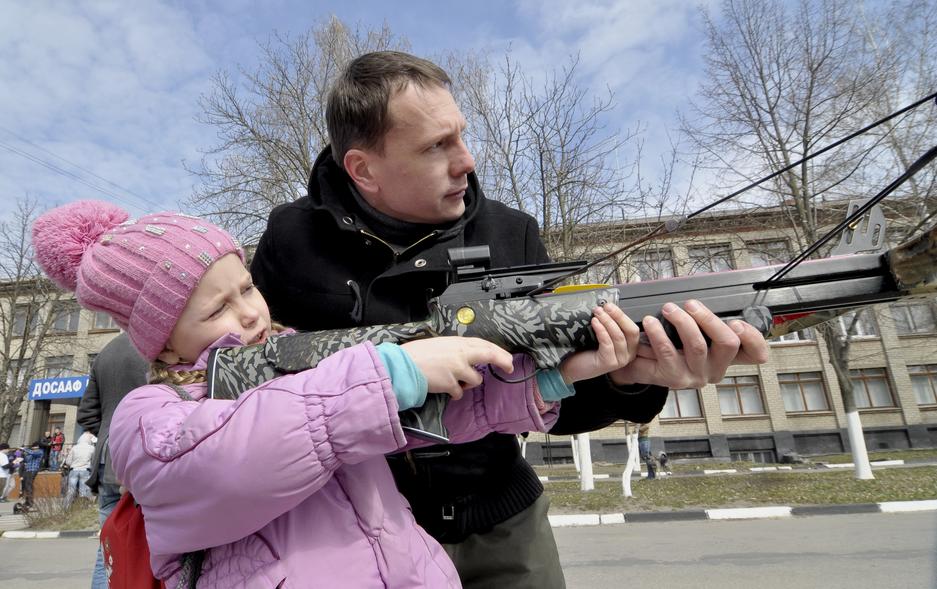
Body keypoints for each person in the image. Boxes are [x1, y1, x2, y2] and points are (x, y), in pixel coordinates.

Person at [250, 50, 770, 587]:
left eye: (461, 135)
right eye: (437, 146)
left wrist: (627, 378)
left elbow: (552, 398)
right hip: (351, 539)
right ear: (363, 168)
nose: (467, 161)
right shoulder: (291, 241)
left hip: (501, 526)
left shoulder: (509, 233)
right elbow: (250, 389)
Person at [32, 200, 640, 587]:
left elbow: (428, 416)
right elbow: (235, 461)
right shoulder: (149, 415)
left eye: (247, 288)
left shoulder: (300, 362)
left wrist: (555, 375)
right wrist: (391, 374)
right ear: (161, 336)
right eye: (218, 306)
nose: (248, 313)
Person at [77, 331, 149, 589]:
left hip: (108, 460)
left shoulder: (105, 353)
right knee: (152, 545)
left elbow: (86, 414)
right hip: (144, 456)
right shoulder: (154, 345)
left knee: (108, 548)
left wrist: (109, 434)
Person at [61, 431, 95, 509]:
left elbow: (68, 462)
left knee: (70, 491)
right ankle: (82, 509)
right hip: (85, 470)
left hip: (74, 470)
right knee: (83, 492)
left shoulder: (74, 447)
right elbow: (94, 461)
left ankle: (66, 508)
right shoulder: (92, 448)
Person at [20, 442, 43, 507]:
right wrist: (23, 454)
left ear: (37, 447)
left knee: (29, 485)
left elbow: (33, 453)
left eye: (34, 447)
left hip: (33, 470)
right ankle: (27, 501)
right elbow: (27, 460)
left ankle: (30, 502)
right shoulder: (30, 452)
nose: (33, 448)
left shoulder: (40, 451)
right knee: (27, 485)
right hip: (28, 470)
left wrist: (24, 449)